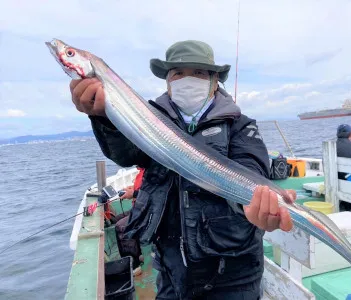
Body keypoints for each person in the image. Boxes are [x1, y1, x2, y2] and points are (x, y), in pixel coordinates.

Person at [69, 40, 296, 299]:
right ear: (167, 81)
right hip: (170, 274)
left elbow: (250, 169)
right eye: (178, 73)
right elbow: (126, 153)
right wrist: (102, 117)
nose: (187, 79)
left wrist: (251, 207)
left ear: (214, 81)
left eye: (198, 73)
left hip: (233, 277)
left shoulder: (240, 127)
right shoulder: (150, 121)